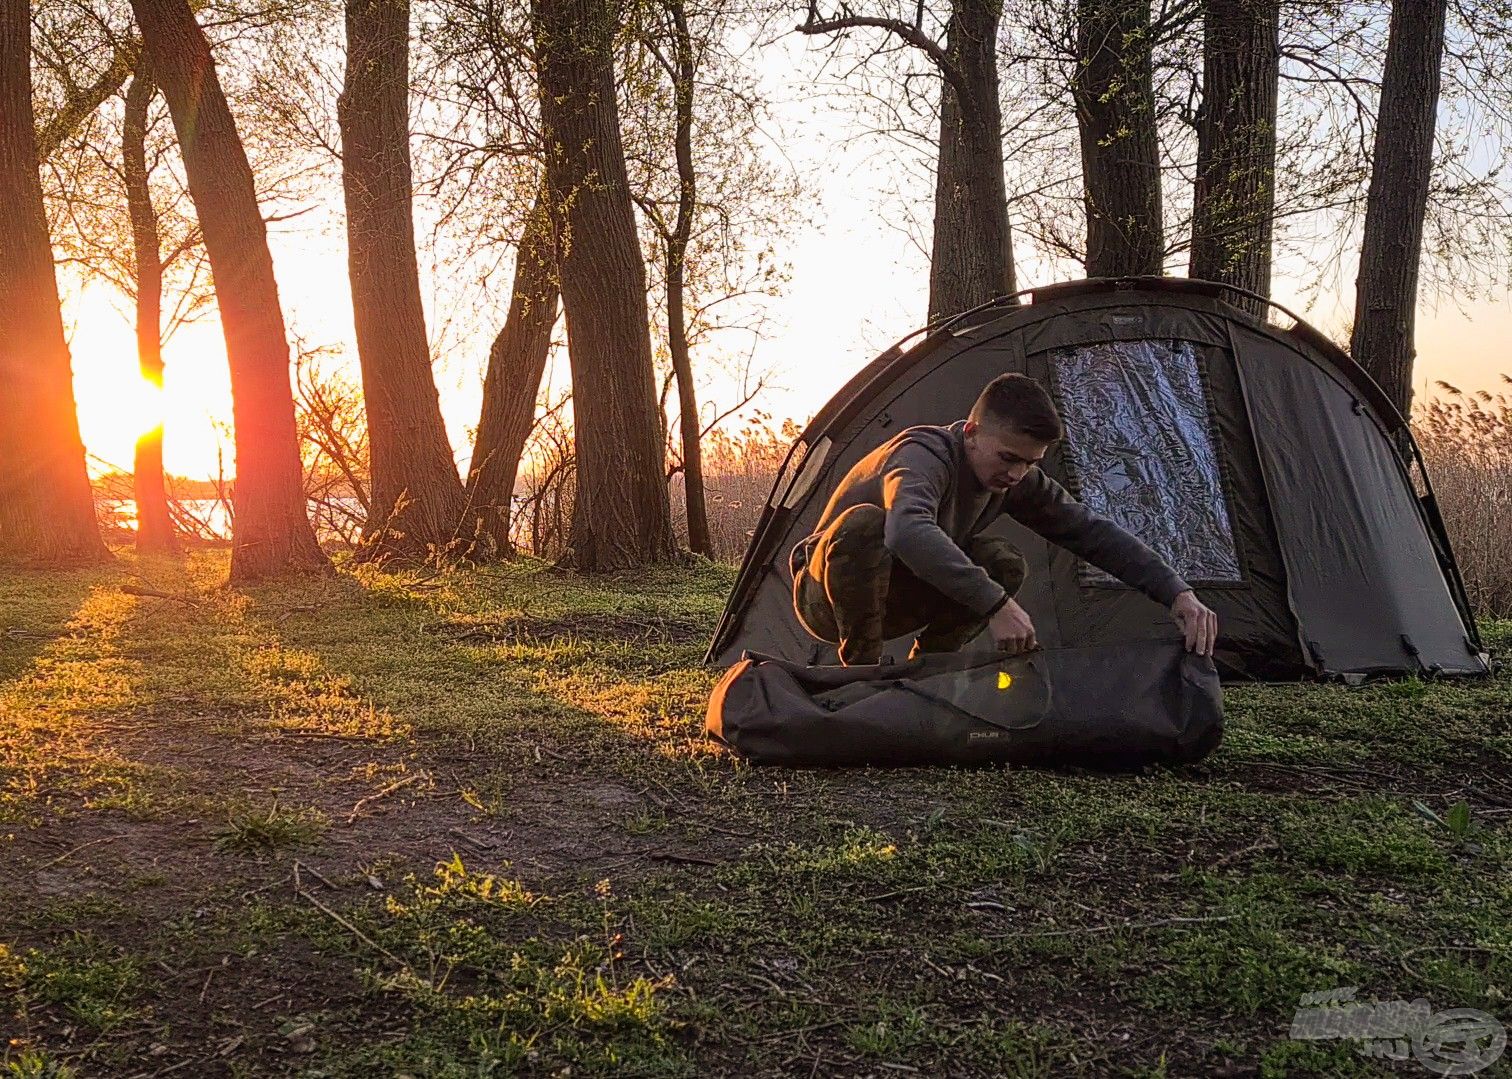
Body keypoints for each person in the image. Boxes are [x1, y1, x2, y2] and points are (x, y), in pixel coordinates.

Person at [790, 372, 1219, 666]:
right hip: (826, 597)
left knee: (1003, 559)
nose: (1016, 473)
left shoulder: (1017, 479)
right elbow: (906, 531)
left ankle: (929, 670)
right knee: (866, 524)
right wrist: (996, 604)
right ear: (972, 433)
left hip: (904, 598)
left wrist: (1176, 591)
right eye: (1009, 458)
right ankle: (861, 678)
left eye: (1029, 463)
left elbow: (1090, 532)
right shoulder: (923, 455)